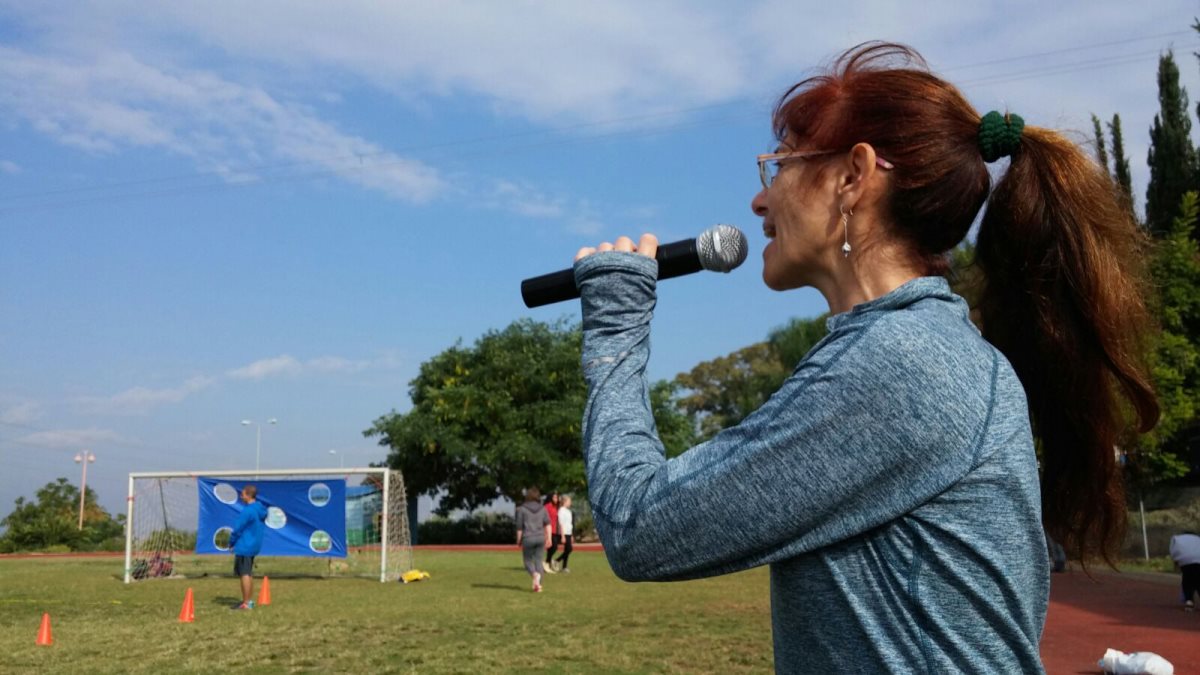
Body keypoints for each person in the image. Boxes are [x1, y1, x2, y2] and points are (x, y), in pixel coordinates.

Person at [571, 42, 1158, 673]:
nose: (759, 202)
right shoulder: (916, 349)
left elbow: (640, 528)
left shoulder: (902, 364)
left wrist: (615, 325)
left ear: (854, 176)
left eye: (780, 166)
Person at [229, 484, 268, 610]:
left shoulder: (248, 511)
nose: (241, 496)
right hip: (254, 545)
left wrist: (231, 542)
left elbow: (238, 529)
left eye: (242, 494)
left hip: (245, 545)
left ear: (248, 495)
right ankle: (248, 601)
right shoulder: (260, 509)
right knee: (248, 573)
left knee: (244, 573)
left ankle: (246, 603)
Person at [515, 487, 552, 592]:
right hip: (540, 537)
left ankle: (534, 574)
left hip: (528, 537)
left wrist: (518, 540)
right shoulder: (543, 508)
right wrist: (549, 537)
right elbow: (548, 524)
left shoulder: (522, 509)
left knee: (527, 561)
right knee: (538, 561)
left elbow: (519, 527)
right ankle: (538, 585)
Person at [1169, 531, 1200, 611]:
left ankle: (1189, 600)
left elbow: (1173, 551)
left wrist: (1176, 563)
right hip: (1198, 558)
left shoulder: (1176, 538)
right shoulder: (1197, 538)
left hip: (1184, 560)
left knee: (1187, 579)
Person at [555, 495, 574, 573]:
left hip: (569, 532)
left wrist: (571, 534)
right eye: (569, 501)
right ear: (565, 502)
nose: (570, 503)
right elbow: (561, 524)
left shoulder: (568, 511)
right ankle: (557, 560)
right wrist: (562, 536)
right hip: (564, 533)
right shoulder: (561, 511)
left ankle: (564, 567)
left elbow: (569, 523)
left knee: (567, 549)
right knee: (569, 549)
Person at [543, 491, 560, 573]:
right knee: (552, 547)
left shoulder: (555, 507)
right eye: (555, 497)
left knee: (553, 547)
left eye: (557, 497)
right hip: (548, 529)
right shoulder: (547, 506)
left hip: (554, 530)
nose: (556, 499)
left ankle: (548, 562)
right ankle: (547, 562)